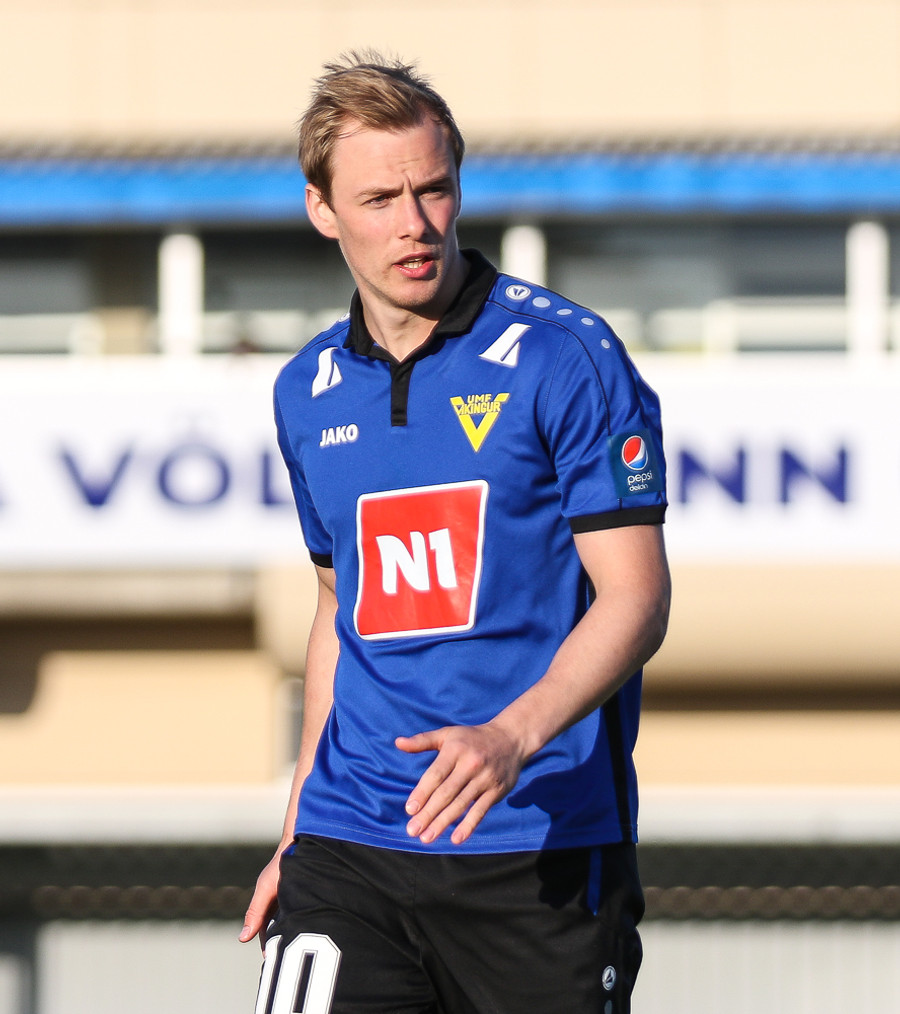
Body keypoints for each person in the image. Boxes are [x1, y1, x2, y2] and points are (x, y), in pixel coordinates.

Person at [241, 50, 671, 1014]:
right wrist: (299, 829)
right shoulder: (306, 390)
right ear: (322, 210)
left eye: (433, 190)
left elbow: (638, 599)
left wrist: (510, 738)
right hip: (352, 845)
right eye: (379, 198)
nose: (415, 223)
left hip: (536, 846)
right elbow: (338, 609)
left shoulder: (566, 357)